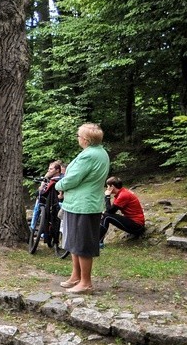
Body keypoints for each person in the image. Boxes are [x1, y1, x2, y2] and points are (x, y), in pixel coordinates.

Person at [55, 123, 110, 294]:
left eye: (79, 136)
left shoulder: (89, 156)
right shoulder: (99, 152)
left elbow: (73, 179)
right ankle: (76, 276)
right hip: (79, 204)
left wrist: (58, 184)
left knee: (82, 243)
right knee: (73, 241)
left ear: (85, 140)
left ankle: (86, 283)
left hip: (84, 205)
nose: (78, 138)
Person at [100, 176, 145, 242]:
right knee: (106, 215)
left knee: (106, 216)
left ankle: (97, 242)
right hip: (132, 222)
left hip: (137, 226)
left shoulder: (123, 195)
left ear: (112, 187)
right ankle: (98, 241)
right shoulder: (121, 192)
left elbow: (110, 211)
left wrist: (107, 196)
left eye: (107, 186)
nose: (107, 188)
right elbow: (110, 210)